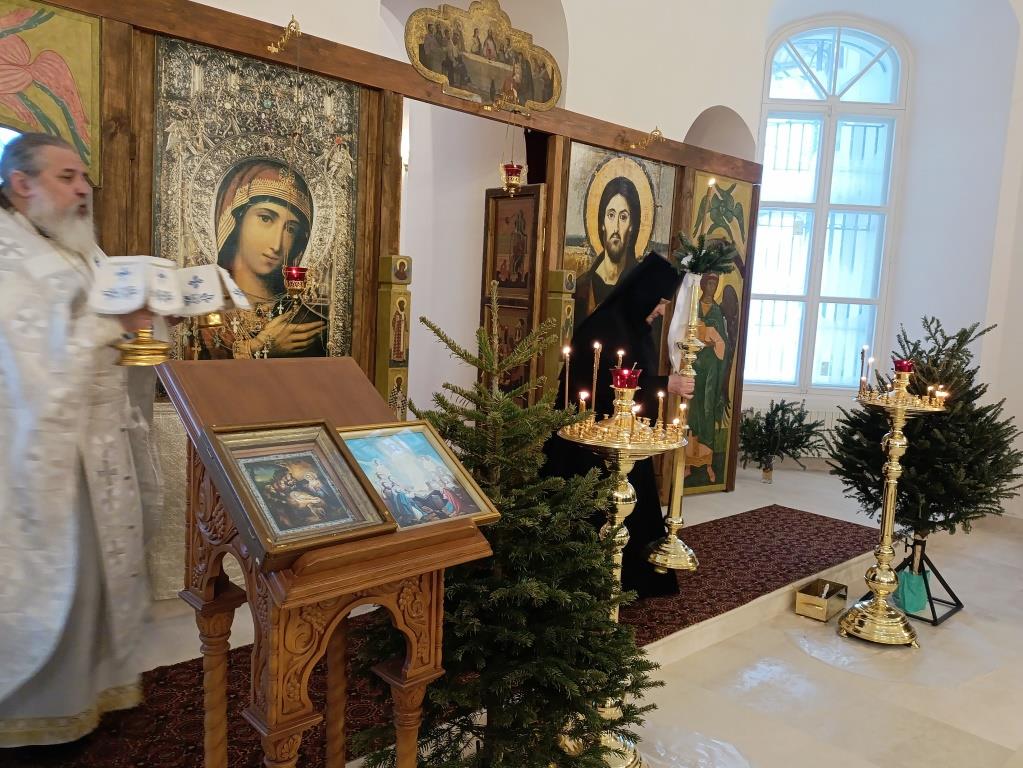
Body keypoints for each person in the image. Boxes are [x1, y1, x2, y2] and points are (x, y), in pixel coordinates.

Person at [0, 133, 154, 746]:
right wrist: (111, 327)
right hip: (36, 454)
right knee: (56, 582)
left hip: (94, 446)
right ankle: (33, 722)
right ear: (22, 184)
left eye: (83, 176)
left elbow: (111, 329)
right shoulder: (9, 255)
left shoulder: (76, 250)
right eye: (67, 177)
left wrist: (148, 320)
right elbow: (28, 361)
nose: (84, 189)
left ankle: (88, 698)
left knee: (95, 580)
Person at [546, 252, 695, 598]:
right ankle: (597, 580)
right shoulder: (605, 327)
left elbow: (631, 378)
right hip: (590, 443)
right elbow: (605, 385)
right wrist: (666, 384)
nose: (661, 311)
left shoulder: (635, 327)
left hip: (624, 435)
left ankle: (630, 579)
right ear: (644, 294)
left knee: (635, 502)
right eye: (660, 303)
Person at [199, 159, 326, 359]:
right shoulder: (207, 306)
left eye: (290, 229)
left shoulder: (303, 322)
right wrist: (255, 348)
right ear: (237, 219)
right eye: (266, 218)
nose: (276, 244)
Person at [574, 176, 642, 329]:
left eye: (623, 217)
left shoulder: (641, 285)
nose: (616, 228)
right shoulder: (583, 287)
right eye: (611, 215)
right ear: (602, 223)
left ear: (632, 226)